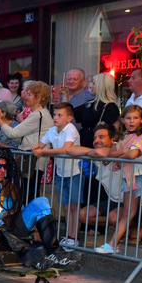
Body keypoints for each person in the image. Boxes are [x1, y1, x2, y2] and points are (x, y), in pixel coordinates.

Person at [0, 146, 75, 271]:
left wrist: (35, 229)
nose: (2, 170)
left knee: (41, 202)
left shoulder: (9, 187)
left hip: (11, 236)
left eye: (4, 167)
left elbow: (21, 213)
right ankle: (29, 254)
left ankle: (56, 253)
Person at [92, 105, 142, 253]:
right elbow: (113, 152)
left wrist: (119, 155)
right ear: (122, 120)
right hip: (129, 178)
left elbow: (132, 154)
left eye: (135, 118)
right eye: (128, 118)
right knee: (127, 213)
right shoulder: (124, 137)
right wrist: (121, 153)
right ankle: (112, 245)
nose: (132, 121)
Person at [32, 102, 82, 248]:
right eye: (55, 114)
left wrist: (43, 152)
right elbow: (41, 144)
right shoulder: (53, 130)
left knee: (74, 206)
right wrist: (36, 147)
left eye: (60, 115)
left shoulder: (70, 129)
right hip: (61, 173)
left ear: (69, 118)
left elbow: (66, 149)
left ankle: (73, 236)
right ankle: (68, 235)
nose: (55, 117)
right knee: (66, 206)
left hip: (74, 172)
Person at [75, 72, 120, 148]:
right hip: (83, 144)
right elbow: (71, 113)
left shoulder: (110, 107)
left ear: (101, 86)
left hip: (97, 147)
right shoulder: (90, 103)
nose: (90, 86)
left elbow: (114, 132)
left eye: (94, 83)